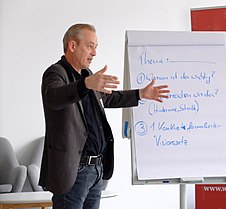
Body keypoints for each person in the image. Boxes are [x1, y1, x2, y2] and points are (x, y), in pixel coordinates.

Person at [39, 23, 169, 209]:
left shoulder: (87, 75)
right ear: (72, 46)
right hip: (74, 170)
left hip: (96, 168)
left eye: (96, 47)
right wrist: (85, 84)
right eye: (90, 46)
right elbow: (54, 97)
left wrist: (140, 94)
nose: (94, 53)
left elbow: (108, 99)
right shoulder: (56, 73)